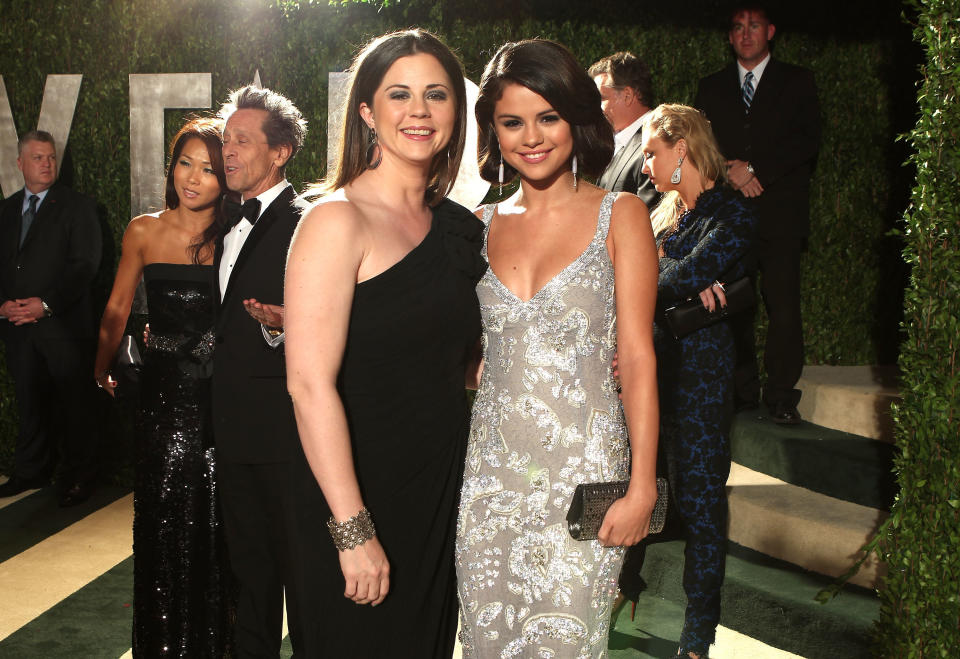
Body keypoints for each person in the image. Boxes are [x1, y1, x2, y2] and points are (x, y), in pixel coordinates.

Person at [283, 29, 484, 658]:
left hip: (436, 495)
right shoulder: (335, 220)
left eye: (436, 95)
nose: (419, 112)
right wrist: (352, 529)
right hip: (356, 495)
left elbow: (463, 361)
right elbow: (308, 384)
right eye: (399, 95)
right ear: (367, 111)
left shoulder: (456, 226)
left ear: (457, 110)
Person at [456, 39, 660, 657]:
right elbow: (455, 348)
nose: (531, 137)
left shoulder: (620, 215)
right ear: (493, 129)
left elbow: (640, 361)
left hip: (584, 478)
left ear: (575, 117)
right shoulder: (477, 225)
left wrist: (642, 486)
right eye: (512, 121)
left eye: (548, 117)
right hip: (490, 483)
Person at [92, 117, 233, 656]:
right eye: (185, 163)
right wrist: (101, 365)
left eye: (210, 169)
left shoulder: (233, 234)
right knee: (161, 515)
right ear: (171, 165)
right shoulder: (142, 230)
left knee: (217, 520)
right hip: (163, 396)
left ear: (227, 177)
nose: (193, 178)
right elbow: (116, 309)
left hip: (221, 396)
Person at [210, 85, 326, 658]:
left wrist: (286, 325)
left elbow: (335, 325)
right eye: (225, 140)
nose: (227, 152)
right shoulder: (224, 222)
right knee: (250, 581)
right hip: (233, 432)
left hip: (286, 437)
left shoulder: (309, 222)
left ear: (280, 153)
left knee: (303, 582)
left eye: (242, 141)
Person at [640, 103, 756, 659]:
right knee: (638, 488)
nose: (645, 167)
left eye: (652, 153)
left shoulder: (732, 212)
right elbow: (631, 274)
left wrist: (671, 276)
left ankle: (696, 639)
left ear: (681, 147)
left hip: (703, 382)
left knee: (703, 509)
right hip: (647, 374)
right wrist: (678, 281)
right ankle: (619, 590)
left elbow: (675, 275)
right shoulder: (659, 215)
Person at [694, 3, 820, 423]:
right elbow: (698, 145)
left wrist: (755, 170)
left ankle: (782, 396)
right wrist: (729, 169)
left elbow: (806, 141)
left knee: (783, 307)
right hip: (729, 217)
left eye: (754, 26)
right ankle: (741, 393)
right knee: (734, 306)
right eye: (737, 28)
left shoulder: (797, 81)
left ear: (770, 32)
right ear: (730, 37)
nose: (745, 33)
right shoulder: (709, 87)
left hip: (780, 217)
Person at [0, 130, 101, 506]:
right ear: (20, 163)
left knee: (75, 405)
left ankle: (79, 477)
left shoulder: (78, 207)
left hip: (63, 329)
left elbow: (85, 265)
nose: (46, 164)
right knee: (28, 400)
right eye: (38, 158)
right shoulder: (7, 210)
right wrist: (3, 305)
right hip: (17, 329)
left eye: (51, 158)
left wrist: (45, 304)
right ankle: (29, 471)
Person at [589, 51, 661, 210]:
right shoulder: (615, 144)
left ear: (628, 96)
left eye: (601, 98)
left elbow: (651, 220)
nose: (595, 108)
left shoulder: (658, 143)